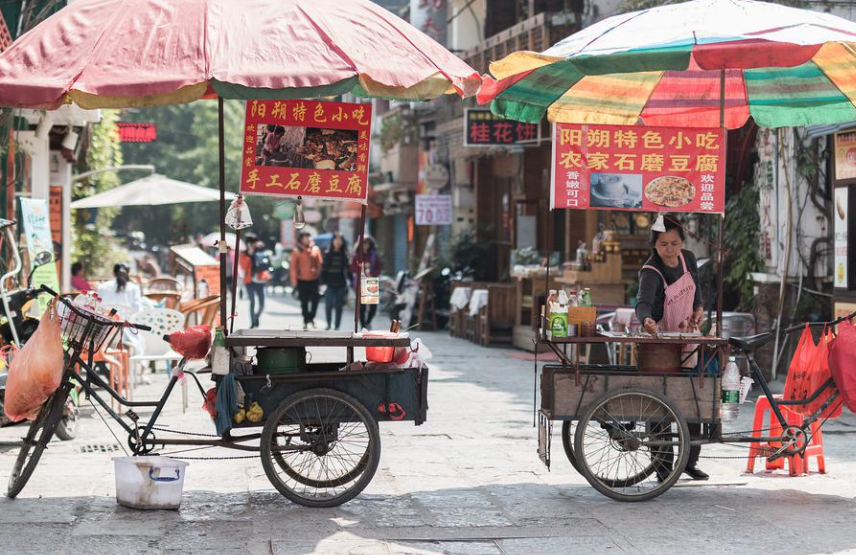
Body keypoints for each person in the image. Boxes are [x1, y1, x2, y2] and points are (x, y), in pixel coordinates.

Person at [635, 216, 707, 481]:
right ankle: (662, 465)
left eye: (674, 243)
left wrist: (699, 309)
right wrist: (646, 320)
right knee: (660, 405)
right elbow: (642, 302)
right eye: (663, 244)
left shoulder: (688, 258)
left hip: (687, 338)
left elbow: (696, 291)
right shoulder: (650, 271)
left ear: (682, 242)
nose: (670, 249)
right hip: (661, 344)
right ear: (654, 245)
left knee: (692, 399)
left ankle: (690, 461)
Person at [290, 232, 323, 330]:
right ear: (301, 239)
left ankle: (312, 317)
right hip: (302, 280)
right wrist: (294, 281)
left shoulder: (316, 249)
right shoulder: (296, 251)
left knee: (315, 299)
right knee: (304, 301)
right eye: (305, 238)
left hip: (314, 279)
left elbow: (320, 263)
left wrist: (317, 273)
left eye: (308, 237)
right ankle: (305, 319)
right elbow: (293, 267)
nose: (307, 239)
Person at [239, 238, 272, 328]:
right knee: (252, 301)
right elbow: (243, 267)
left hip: (261, 281)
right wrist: (249, 255)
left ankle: (256, 316)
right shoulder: (244, 254)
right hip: (249, 281)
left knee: (262, 304)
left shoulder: (261, 251)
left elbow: (267, 263)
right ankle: (252, 321)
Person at [351, 236, 382, 330]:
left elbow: (378, 268)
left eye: (367, 243)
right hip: (360, 282)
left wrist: (373, 274)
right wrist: (360, 268)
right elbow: (352, 268)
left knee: (373, 307)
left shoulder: (373, 255)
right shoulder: (357, 256)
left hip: (371, 281)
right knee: (362, 306)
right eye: (363, 243)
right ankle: (363, 326)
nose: (365, 246)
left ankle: (368, 322)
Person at [321, 233, 350, 331]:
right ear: (332, 241)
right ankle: (328, 324)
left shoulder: (345, 255)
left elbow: (348, 270)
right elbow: (324, 269)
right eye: (336, 240)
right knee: (328, 306)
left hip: (341, 284)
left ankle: (337, 326)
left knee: (339, 307)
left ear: (342, 242)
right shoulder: (327, 253)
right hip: (329, 284)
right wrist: (322, 282)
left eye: (340, 240)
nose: (338, 242)